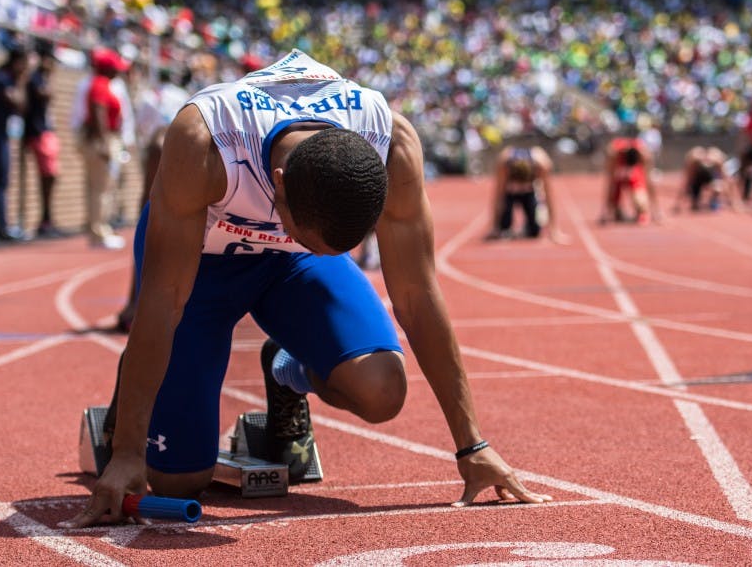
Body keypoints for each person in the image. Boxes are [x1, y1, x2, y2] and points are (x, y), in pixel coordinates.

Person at [62, 49, 550, 528]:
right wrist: (127, 453)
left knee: (382, 391)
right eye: (312, 239)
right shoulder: (206, 141)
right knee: (178, 481)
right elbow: (163, 299)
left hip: (288, 267)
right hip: (202, 266)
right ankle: (131, 401)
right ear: (277, 189)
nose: (324, 252)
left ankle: (284, 371)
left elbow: (418, 297)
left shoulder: (390, 142)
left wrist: (473, 445)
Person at [115, 65, 192, 332]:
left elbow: (143, 133)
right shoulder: (183, 99)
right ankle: (142, 305)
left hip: (164, 171)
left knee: (150, 241)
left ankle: (136, 305)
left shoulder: (151, 107)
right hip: (183, 178)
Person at [76, 48, 130, 250]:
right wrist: (105, 142)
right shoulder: (100, 85)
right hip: (103, 140)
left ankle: (97, 230)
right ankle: (100, 232)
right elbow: (99, 112)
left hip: (100, 138)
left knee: (97, 187)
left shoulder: (99, 84)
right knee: (103, 188)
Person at [0, 43, 31, 242]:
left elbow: (24, 107)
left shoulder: (10, 78)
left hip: (6, 135)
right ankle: (1, 226)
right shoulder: (1, 78)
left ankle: (5, 224)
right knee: (1, 180)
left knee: (5, 180)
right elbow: (17, 102)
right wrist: (21, 81)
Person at [484, 144, 569, 243]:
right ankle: (506, 226)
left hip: (530, 193)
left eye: (523, 185)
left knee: (534, 231)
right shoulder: (503, 164)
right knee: (504, 228)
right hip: (509, 193)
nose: (520, 189)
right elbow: (498, 196)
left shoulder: (542, 165)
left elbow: (549, 197)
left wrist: (554, 230)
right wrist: (495, 227)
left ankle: (525, 228)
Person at [24, 41, 64, 237]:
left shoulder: (42, 78)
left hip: (46, 131)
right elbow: (44, 95)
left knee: (52, 177)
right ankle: (45, 221)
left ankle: (47, 219)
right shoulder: (35, 79)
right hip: (39, 133)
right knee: (48, 176)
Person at [598, 134, 661, 225]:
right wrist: (605, 212)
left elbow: (649, 183)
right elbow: (610, 184)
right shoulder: (613, 154)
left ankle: (641, 211)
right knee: (615, 190)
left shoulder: (644, 155)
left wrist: (656, 210)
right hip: (618, 171)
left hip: (635, 172)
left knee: (640, 194)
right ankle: (617, 211)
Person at [671, 146, 741, 213]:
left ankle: (713, 200)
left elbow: (727, 179)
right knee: (694, 206)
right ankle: (695, 200)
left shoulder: (717, 159)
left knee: (718, 187)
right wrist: (678, 203)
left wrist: (734, 201)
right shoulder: (694, 161)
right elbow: (688, 181)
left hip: (710, 179)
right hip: (697, 181)